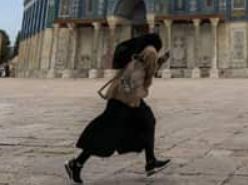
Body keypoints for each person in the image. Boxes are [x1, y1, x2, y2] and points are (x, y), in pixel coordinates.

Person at [64, 33, 170, 184]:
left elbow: (145, 68)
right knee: (107, 131)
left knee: (146, 121)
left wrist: (161, 61)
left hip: (124, 95)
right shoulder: (152, 52)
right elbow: (145, 74)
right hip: (127, 98)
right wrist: (137, 94)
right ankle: (76, 163)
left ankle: (150, 161)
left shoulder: (144, 51)